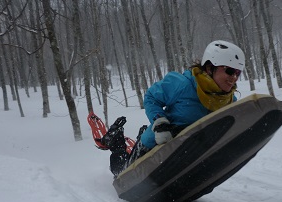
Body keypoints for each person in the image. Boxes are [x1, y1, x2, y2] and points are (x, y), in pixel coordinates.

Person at [101, 40, 245, 176]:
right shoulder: (182, 84)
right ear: (209, 67)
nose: (234, 77)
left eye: (238, 73)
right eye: (229, 71)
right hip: (154, 145)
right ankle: (117, 144)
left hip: (188, 153)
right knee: (122, 173)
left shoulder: (230, 101)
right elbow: (151, 97)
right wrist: (160, 123)